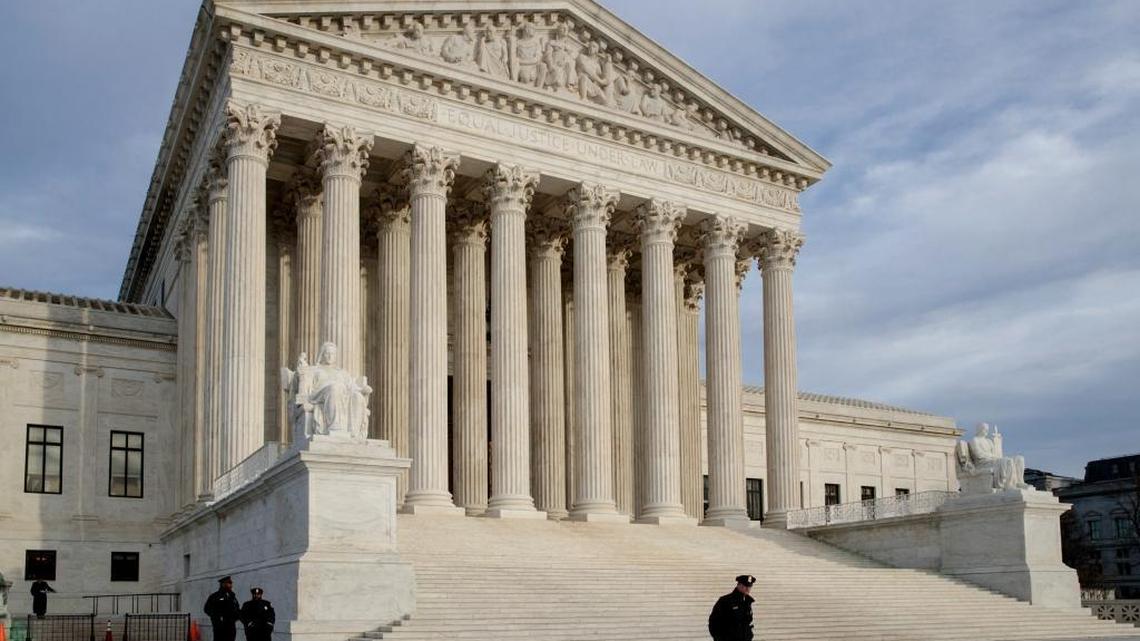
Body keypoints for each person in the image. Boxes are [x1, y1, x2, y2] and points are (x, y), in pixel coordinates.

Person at [708, 574, 755, 641]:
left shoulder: (747, 602)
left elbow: (747, 622)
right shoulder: (725, 601)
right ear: (738, 585)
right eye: (745, 585)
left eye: (750, 586)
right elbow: (713, 622)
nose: (748, 588)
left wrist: (749, 635)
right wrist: (719, 638)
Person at [204, 576, 241, 641]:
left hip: (231, 628)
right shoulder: (215, 596)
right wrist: (217, 618)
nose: (231, 585)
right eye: (229, 583)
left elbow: (237, 608)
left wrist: (236, 617)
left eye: (231, 583)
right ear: (223, 584)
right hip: (220, 628)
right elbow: (207, 609)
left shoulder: (232, 597)